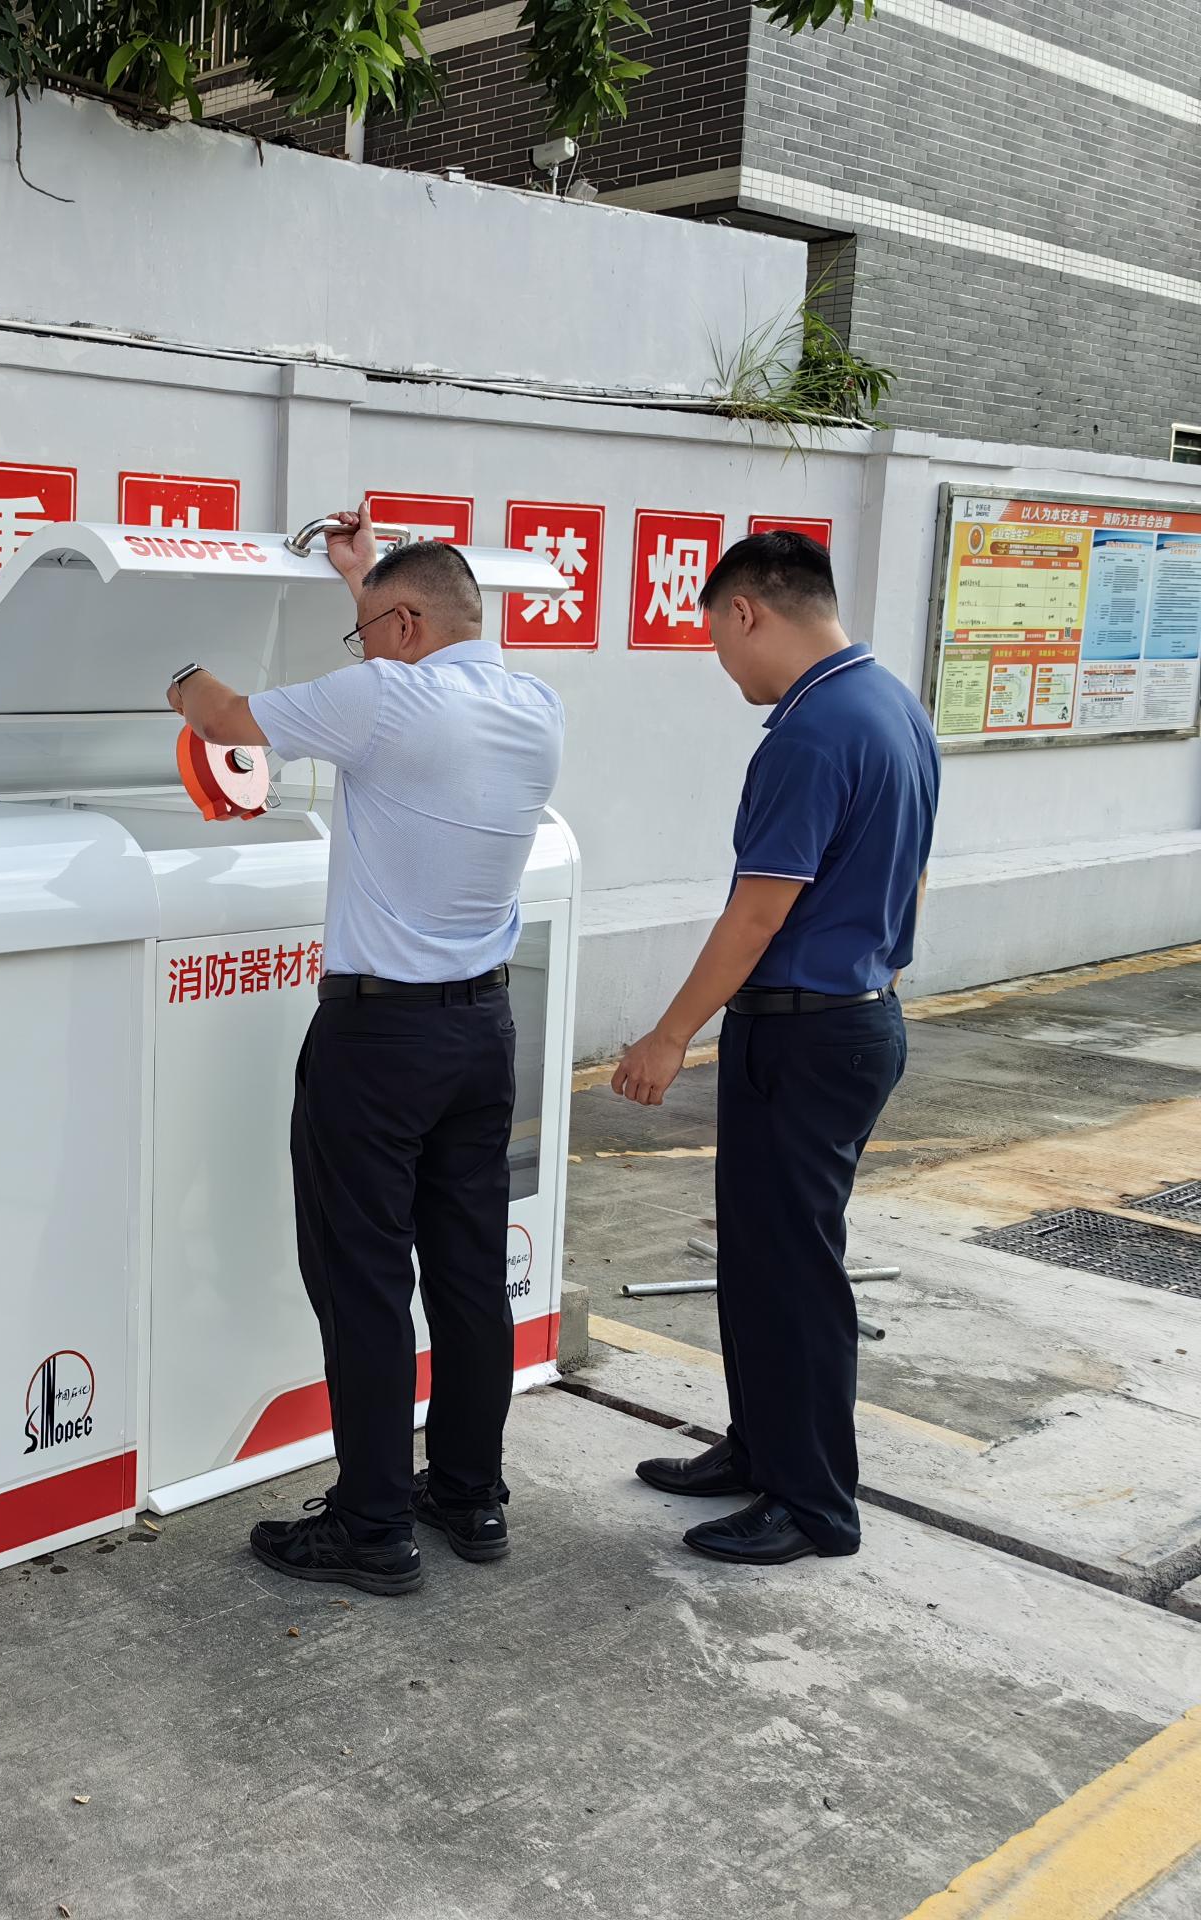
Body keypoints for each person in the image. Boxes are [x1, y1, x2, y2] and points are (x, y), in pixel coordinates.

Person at [168, 504, 565, 1595]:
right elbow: (407, 670)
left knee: (363, 1281)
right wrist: (363, 582)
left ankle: (372, 1524)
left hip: (378, 1039)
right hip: (481, 1034)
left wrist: (176, 672)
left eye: (367, 629)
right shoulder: (534, 706)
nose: (361, 649)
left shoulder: (384, 698)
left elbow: (226, 718)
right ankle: (468, 1494)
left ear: (402, 628)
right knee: (469, 1274)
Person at [611, 530, 938, 1567]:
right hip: (850, 1018)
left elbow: (756, 914)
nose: (723, 663)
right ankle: (760, 1451)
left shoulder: (810, 732)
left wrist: (669, 1036)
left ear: (747, 610)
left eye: (717, 638)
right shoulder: (890, 704)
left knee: (792, 1272)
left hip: (804, 1032)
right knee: (761, 1259)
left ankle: (812, 1505)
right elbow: (907, 874)